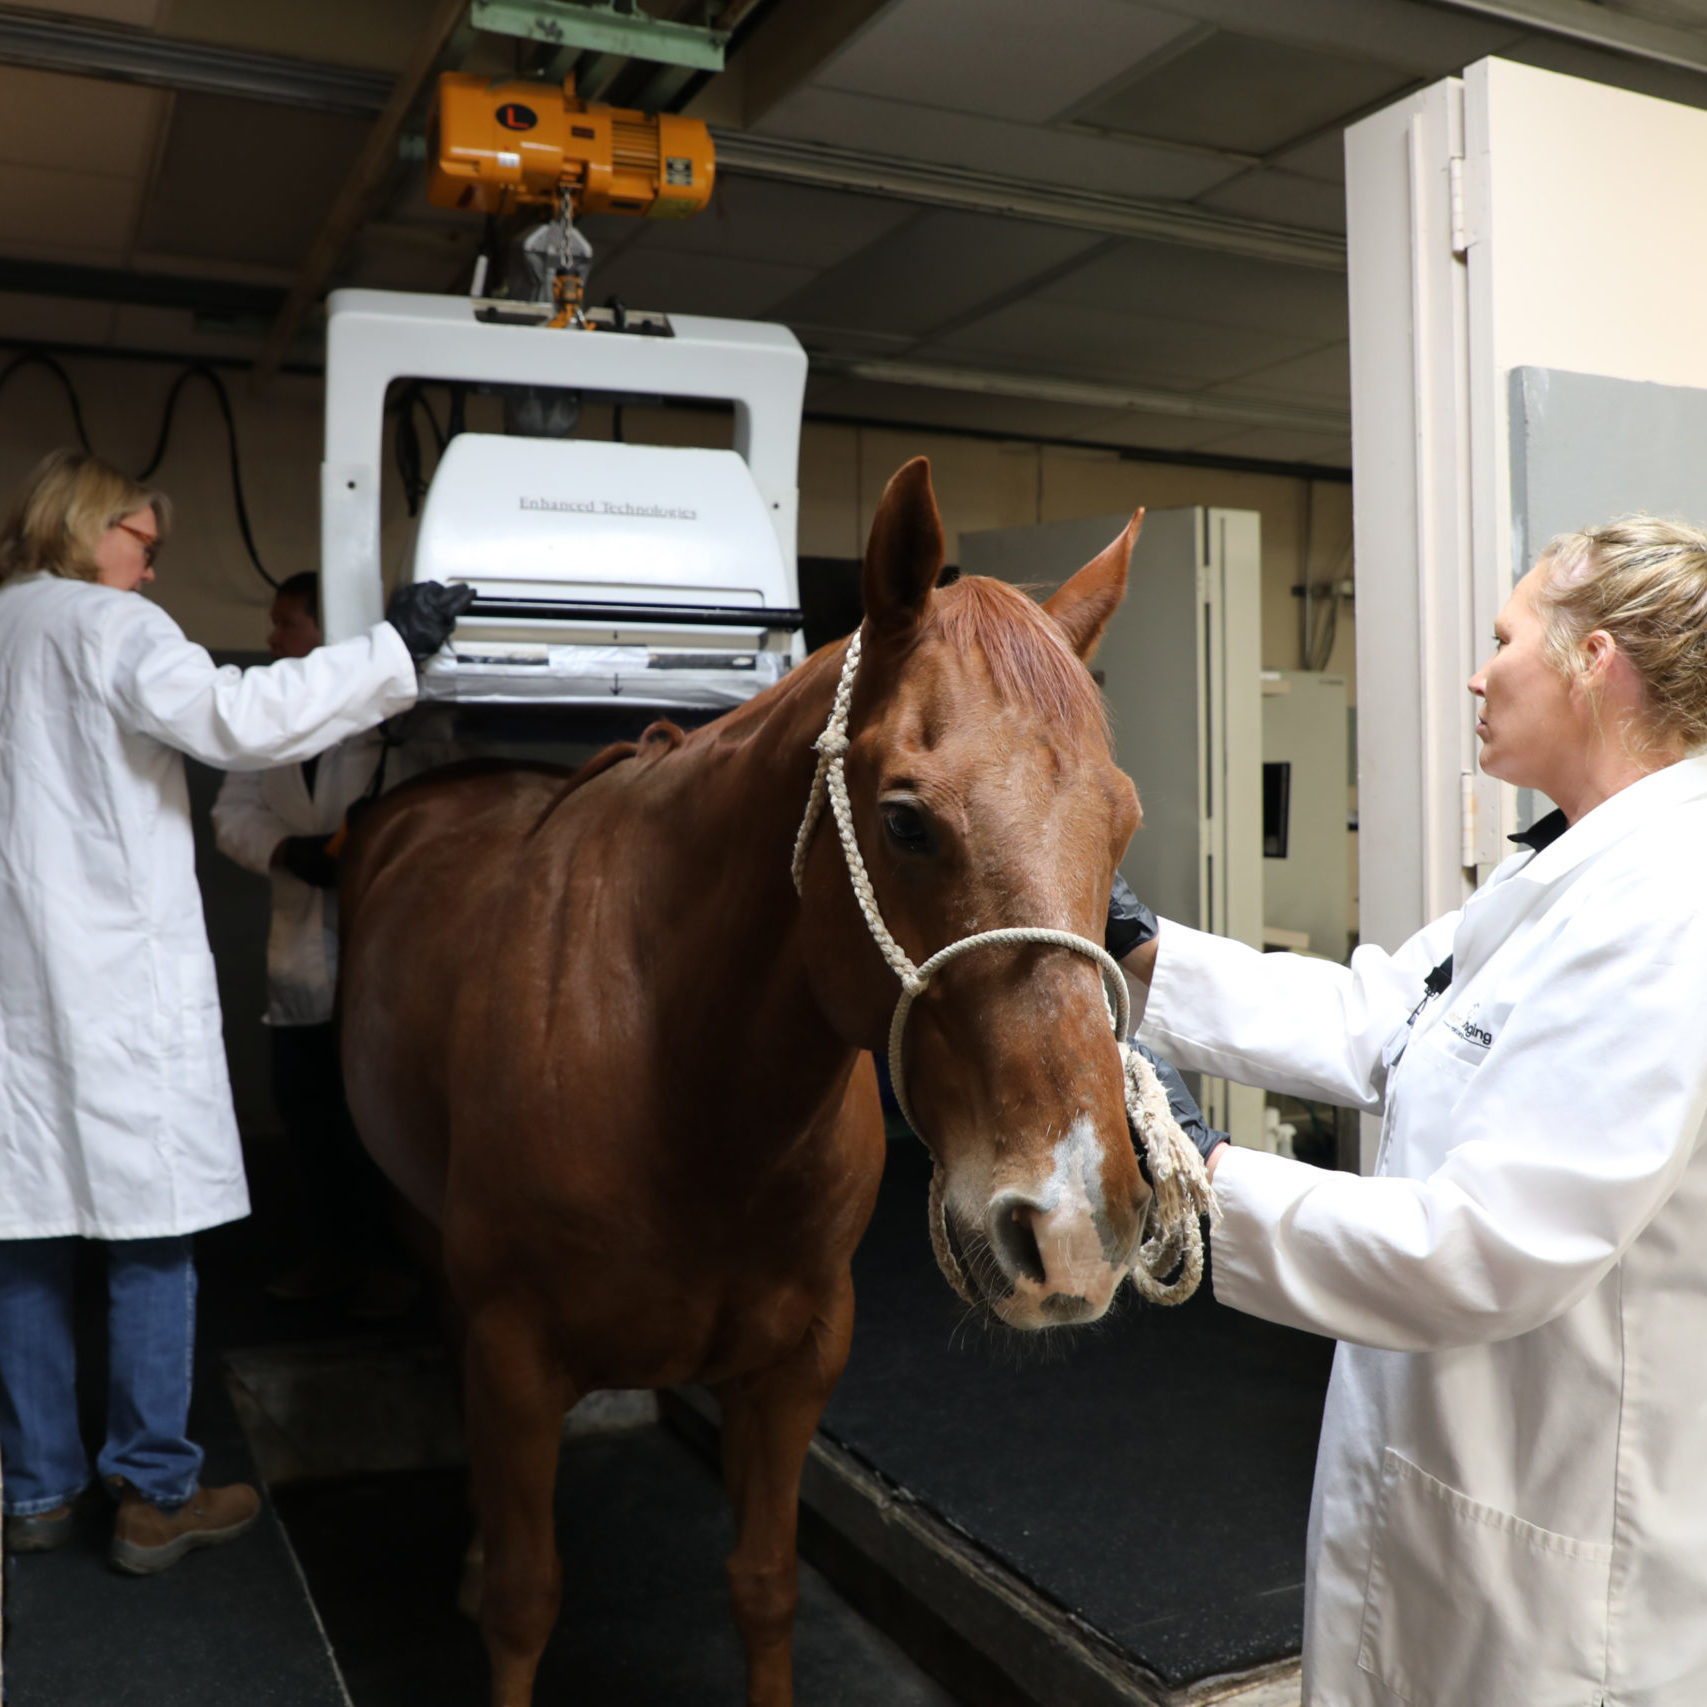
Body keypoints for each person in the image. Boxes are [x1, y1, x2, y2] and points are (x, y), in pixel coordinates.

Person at [1107, 516, 1707, 1706]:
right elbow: (1378, 1016)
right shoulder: (1558, 874)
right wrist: (1134, 953)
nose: (1480, 674)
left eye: (1505, 638)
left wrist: (1201, 1175)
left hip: (1558, 1562)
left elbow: (1483, 1249)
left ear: (1599, 664)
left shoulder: (1670, 909)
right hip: (1436, 1487)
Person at [0, 449, 470, 1574]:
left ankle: (35, 1492)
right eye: (145, 546)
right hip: (112, 986)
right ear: (86, 524)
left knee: (22, 1242)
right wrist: (394, 649)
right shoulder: (107, 629)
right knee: (149, 1236)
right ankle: (156, 1494)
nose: (152, 574)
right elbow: (237, 720)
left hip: (18, 994)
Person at [211, 572, 423, 1314]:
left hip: (384, 962)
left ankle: (401, 1266)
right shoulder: (269, 715)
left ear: (328, 633)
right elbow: (232, 812)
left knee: (385, 1130)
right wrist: (285, 851)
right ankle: (332, 1257)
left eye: (285, 623)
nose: (272, 639)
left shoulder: (395, 716)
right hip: (297, 965)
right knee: (310, 1120)